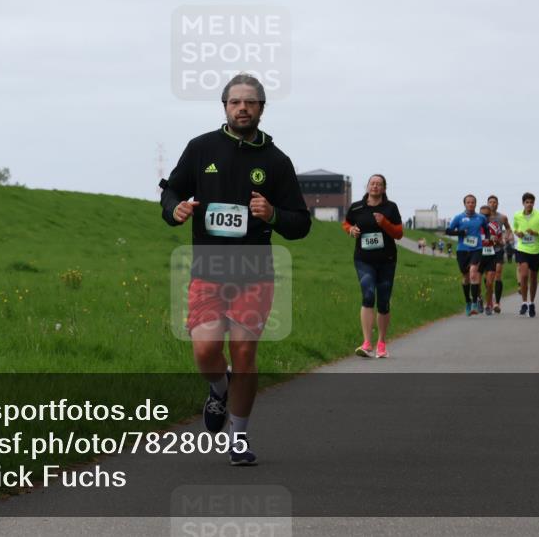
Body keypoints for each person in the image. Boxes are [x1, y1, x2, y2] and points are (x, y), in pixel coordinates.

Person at [160, 73, 311, 466]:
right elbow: (172, 189)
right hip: (207, 269)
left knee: (244, 352)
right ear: (225, 107)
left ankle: (239, 437)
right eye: (235, 102)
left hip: (254, 272)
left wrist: (274, 213)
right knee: (206, 350)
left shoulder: (277, 162)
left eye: (250, 102)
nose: (242, 108)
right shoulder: (200, 148)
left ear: (262, 108)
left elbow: (300, 224)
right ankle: (219, 388)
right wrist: (174, 209)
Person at [344, 174, 403, 359]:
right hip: (364, 259)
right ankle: (367, 343)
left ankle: (382, 343)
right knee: (368, 295)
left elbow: (399, 233)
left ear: (384, 188)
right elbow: (346, 223)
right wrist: (350, 230)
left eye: (379, 184)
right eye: (372, 183)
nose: (375, 186)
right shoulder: (357, 207)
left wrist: (384, 223)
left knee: (383, 302)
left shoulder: (390, 207)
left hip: (387, 259)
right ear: (367, 186)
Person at [446, 195, 490, 316]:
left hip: (477, 249)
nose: (470, 204)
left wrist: (487, 238)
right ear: (464, 204)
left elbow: (486, 229)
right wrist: (460, 232)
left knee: (473, 274)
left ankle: (475, 303)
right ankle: (468, 301)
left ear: (475, 204)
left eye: (472, 202)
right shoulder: (459, 218)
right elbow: (448, 231)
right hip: (462, 250)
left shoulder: (481, 218)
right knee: (465, 278)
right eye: (468, 202)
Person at [512, 192, 539, 317]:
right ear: (523, 203)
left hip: (536, 250)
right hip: (522, 249)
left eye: (531, 202)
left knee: (533, 277)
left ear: (534, 203)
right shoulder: (517, 215)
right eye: (527, 202)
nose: (529, 204)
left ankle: (532, 303)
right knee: (523, 275)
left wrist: (536, 233)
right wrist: (517, 233)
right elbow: (514, 228)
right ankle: (524, 302)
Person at [486, 195, 512, 313]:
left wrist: (506, 237)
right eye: (490, 202)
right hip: (485, 250)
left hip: (498, 249)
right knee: (488, 277)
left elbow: (508, 229)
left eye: (495, 202)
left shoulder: (502, 217)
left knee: (498, 274)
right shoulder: (482, 217)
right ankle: (489, 299)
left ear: (498, 204)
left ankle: (497, 302)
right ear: (487, 204)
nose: (492, 204)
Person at [477, 204, 501, 315]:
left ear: (490, 215)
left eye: (487, 215)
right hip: (478, 256)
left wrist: (496, 240)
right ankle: (479, 298)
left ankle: (488, 304)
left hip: (491, 255)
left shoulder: (495, 226)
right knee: (476, 282)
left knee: (490, 283)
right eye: (482, 215)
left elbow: (501, 242)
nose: (485, 217)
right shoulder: (476, 226)